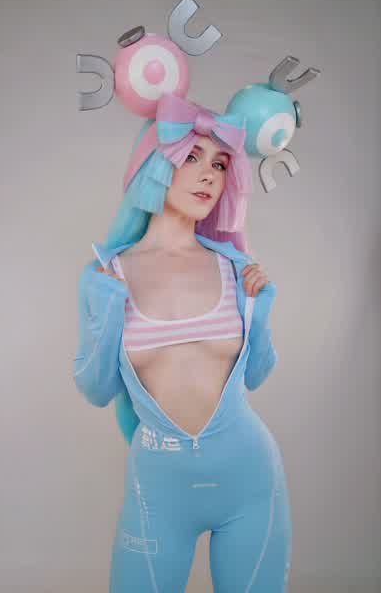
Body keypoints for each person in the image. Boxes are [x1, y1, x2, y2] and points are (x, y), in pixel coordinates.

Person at [73, 92, 292, 591]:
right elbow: (96, 389)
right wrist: (108, 307)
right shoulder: (107, 273)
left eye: (219, 164)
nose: (208, 175)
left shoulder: (236, 268)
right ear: (156, 163)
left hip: (250, 480)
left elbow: (256, 376)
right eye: (192, 157)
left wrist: (260, 312)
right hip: (159, 491)